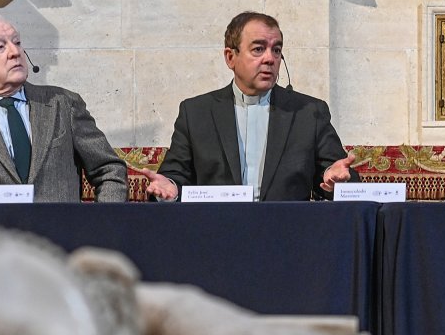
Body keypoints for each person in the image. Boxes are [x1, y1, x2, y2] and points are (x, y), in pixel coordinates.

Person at [140, 12, 355, 201]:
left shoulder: (308, 112)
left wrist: (337, 181)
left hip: (288, 233)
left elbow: (338, 174)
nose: (270, 59)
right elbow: (175, 176)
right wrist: (170, 189)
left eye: (277, 50)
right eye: (258, 49)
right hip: (216, 232)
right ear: (230, 57)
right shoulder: (196, 113)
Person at [0, 15, 128, 204]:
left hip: (63, 239)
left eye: (17, 42)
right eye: (0, 47)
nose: (15, 52)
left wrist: (103, 224)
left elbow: (109, 170)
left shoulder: (63, 103)